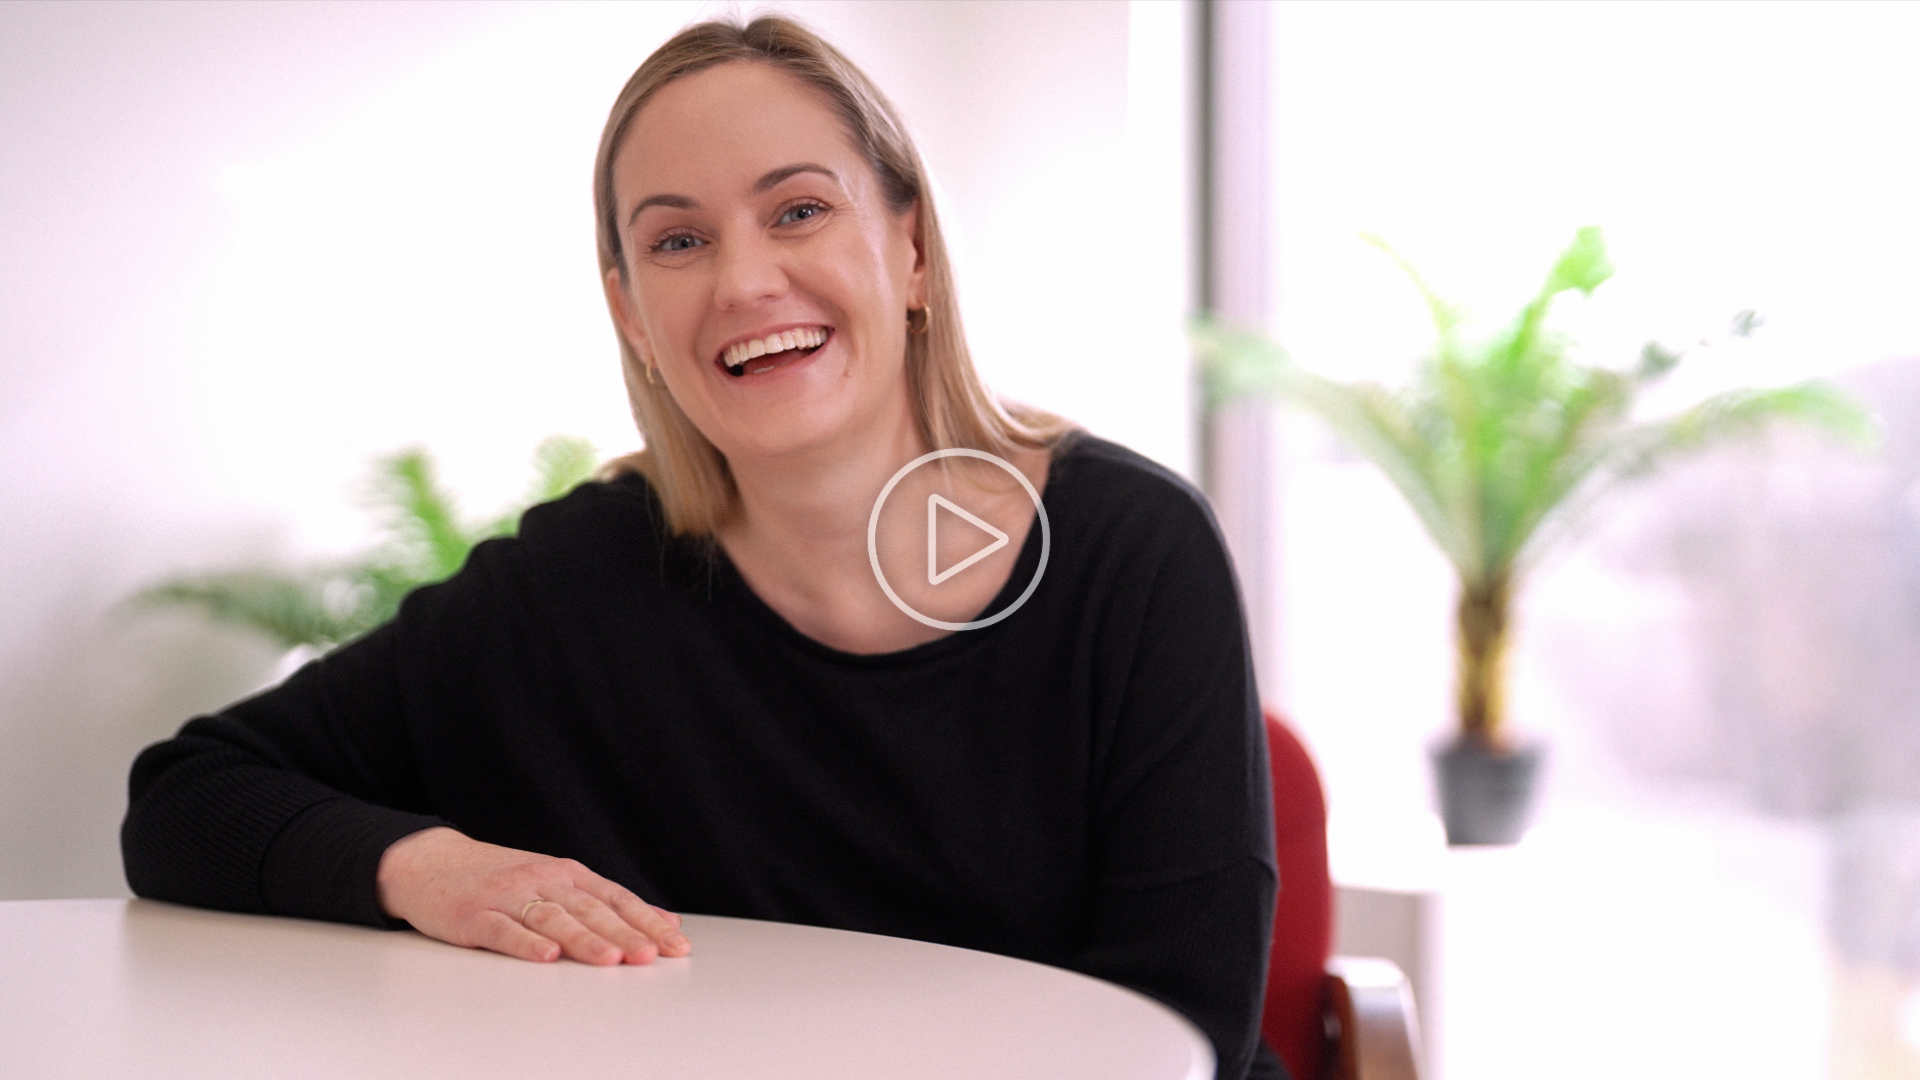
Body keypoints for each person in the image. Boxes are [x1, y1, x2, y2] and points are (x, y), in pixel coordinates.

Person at [122, 15, 1282, 1080]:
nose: (744, 280)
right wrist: (430, 868)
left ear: (913, 250)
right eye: (677, 241)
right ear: (632, 310)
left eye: (799, 211)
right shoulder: (574, 586)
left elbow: (1178, 1028)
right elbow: (187, 798)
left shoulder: (1131, 553)